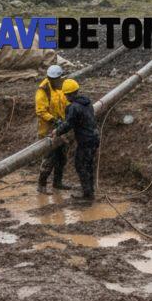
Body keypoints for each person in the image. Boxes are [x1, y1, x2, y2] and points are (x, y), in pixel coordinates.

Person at [55, 79, 100, 202]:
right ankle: (90, 191)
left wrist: (57, 131)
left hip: (85, 141)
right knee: (89, 165)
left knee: (80, 165)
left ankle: (87, 195)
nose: (65, 97)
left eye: (66, 95)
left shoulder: (73, 107)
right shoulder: (87, 102)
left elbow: (69, 124)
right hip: (94, 137)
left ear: (69, 94)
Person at [35, 64, 69, 193]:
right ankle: (41, 185)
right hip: (48, 130)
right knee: (49, 158)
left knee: (62, 157)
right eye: (55, 79)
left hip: (61, 128)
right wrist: (54, 120)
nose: (57, 81)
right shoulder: (43, 90)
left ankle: (57, 182)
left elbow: (65, 102)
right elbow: (40, 111)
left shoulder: (60, 87)